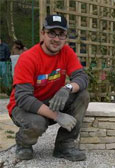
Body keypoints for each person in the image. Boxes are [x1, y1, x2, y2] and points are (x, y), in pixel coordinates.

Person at [7, 14, 90, 161]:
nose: (56, 39)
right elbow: (23, 98)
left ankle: (64, 146)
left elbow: (82, 77)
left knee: (82, 95)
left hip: (50, 102)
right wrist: (57, 116)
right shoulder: (28, 58)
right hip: (22, 107)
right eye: (52, 33)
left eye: (61, 34)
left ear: (65, 37)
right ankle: (23, 143)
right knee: (38, 122)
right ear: (43, 33)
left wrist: (67, 88)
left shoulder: (66, 52)